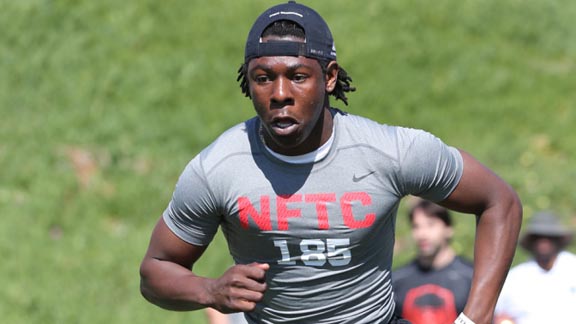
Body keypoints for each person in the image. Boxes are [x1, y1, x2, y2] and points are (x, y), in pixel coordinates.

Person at [139, 1, 522, 323]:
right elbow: (156, 270)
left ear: (330, 78)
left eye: (298, 76)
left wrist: (474, 319)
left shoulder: (388, 151)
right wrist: (209, 290)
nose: (280, 94)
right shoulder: (220, 167)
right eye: (263, 78)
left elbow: (498, 202)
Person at [392, 199, 474, 324]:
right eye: (416, 226)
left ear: (448, 229)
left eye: (430, 225)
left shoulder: (471, 277)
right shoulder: (396, 280)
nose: (422, 234)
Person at [494, 211, 576, 324]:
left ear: (558, 240)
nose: (544, 242)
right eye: (538, 237)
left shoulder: (572, 267)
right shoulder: (515, 278)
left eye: (549, 237)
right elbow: (501, 315)